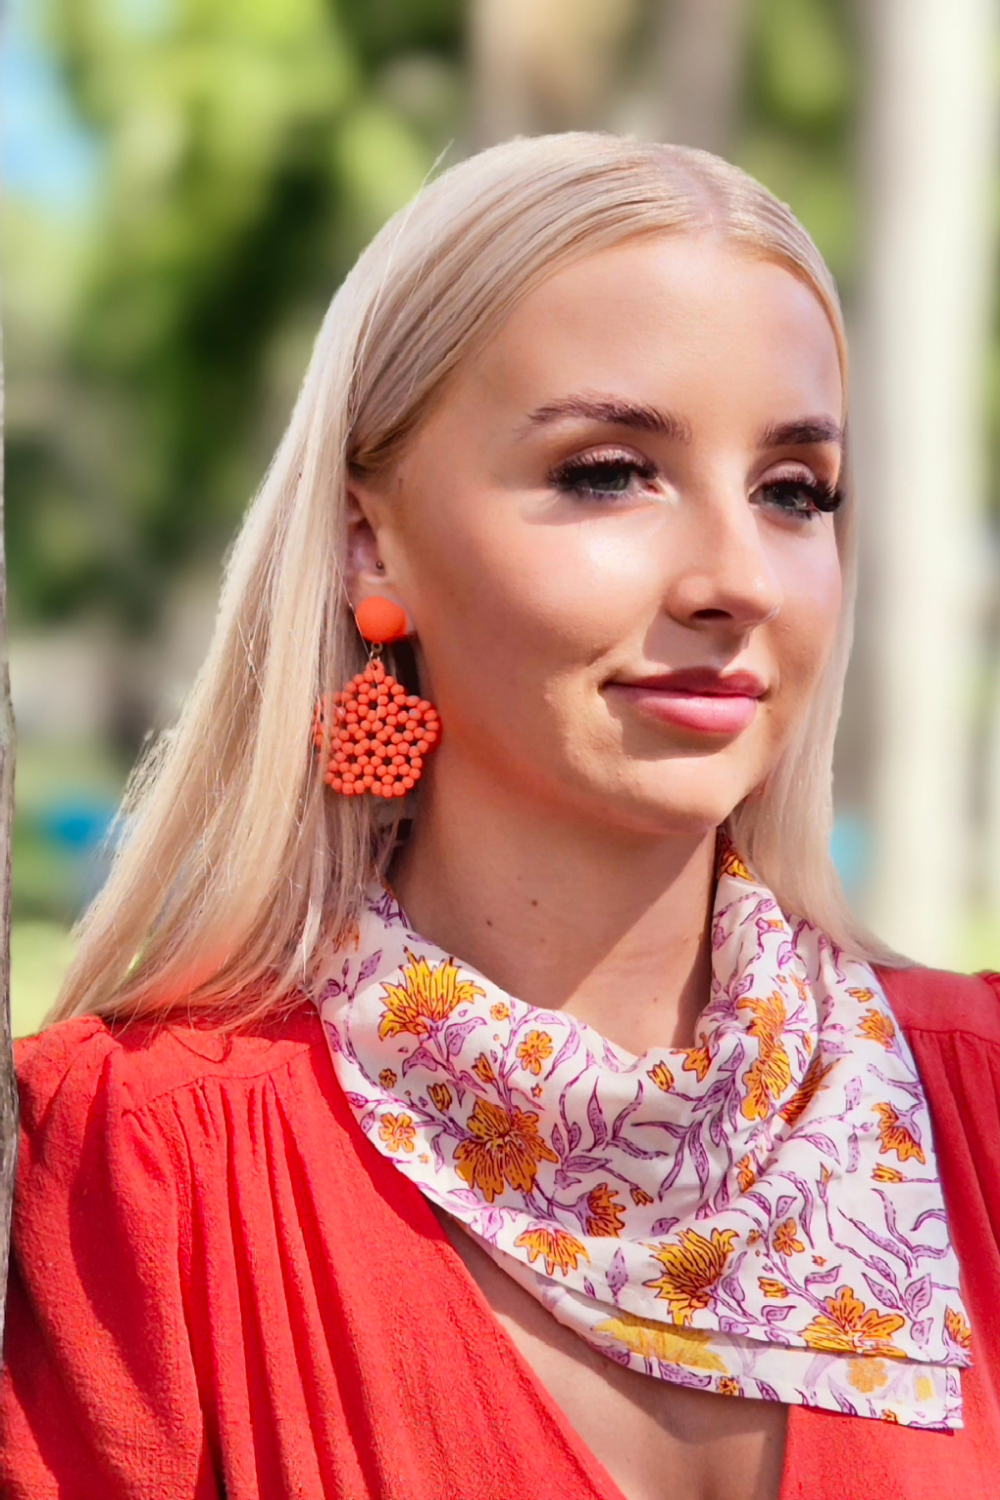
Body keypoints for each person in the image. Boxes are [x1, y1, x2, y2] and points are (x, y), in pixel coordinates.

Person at [1, 134, 998, 1500]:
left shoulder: (981, 1113)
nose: (734, 579)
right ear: (370, 540)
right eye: (608, 471)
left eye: (792, 492)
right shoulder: (151, 1166)